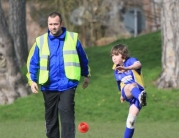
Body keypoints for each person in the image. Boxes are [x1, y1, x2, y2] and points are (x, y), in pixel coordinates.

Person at [26, 12, 91, 138]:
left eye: (55, 24)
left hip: (68, 84)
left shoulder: (72, 38)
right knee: (50, 119)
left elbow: (83, 58)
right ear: (47, 24)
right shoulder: (40, 41)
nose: (53, 27)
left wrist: (86, 75)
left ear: (61, 23)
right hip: (48, 85)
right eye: (50, 24)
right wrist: (32, 80)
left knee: (67, 116)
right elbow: (32, 63)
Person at [110, 44, 147, 138]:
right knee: (130, 85)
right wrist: (121, 95)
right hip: (129, 92)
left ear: (123, 55)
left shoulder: (130, 61)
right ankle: (141, 96)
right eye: (112, 56)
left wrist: (127, 68)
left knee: (131, 121)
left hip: (139, 93)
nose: (113, 58)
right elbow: (120, 84)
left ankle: (140, 97)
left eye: (116, 55)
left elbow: (138, 64)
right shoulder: (116, 70)